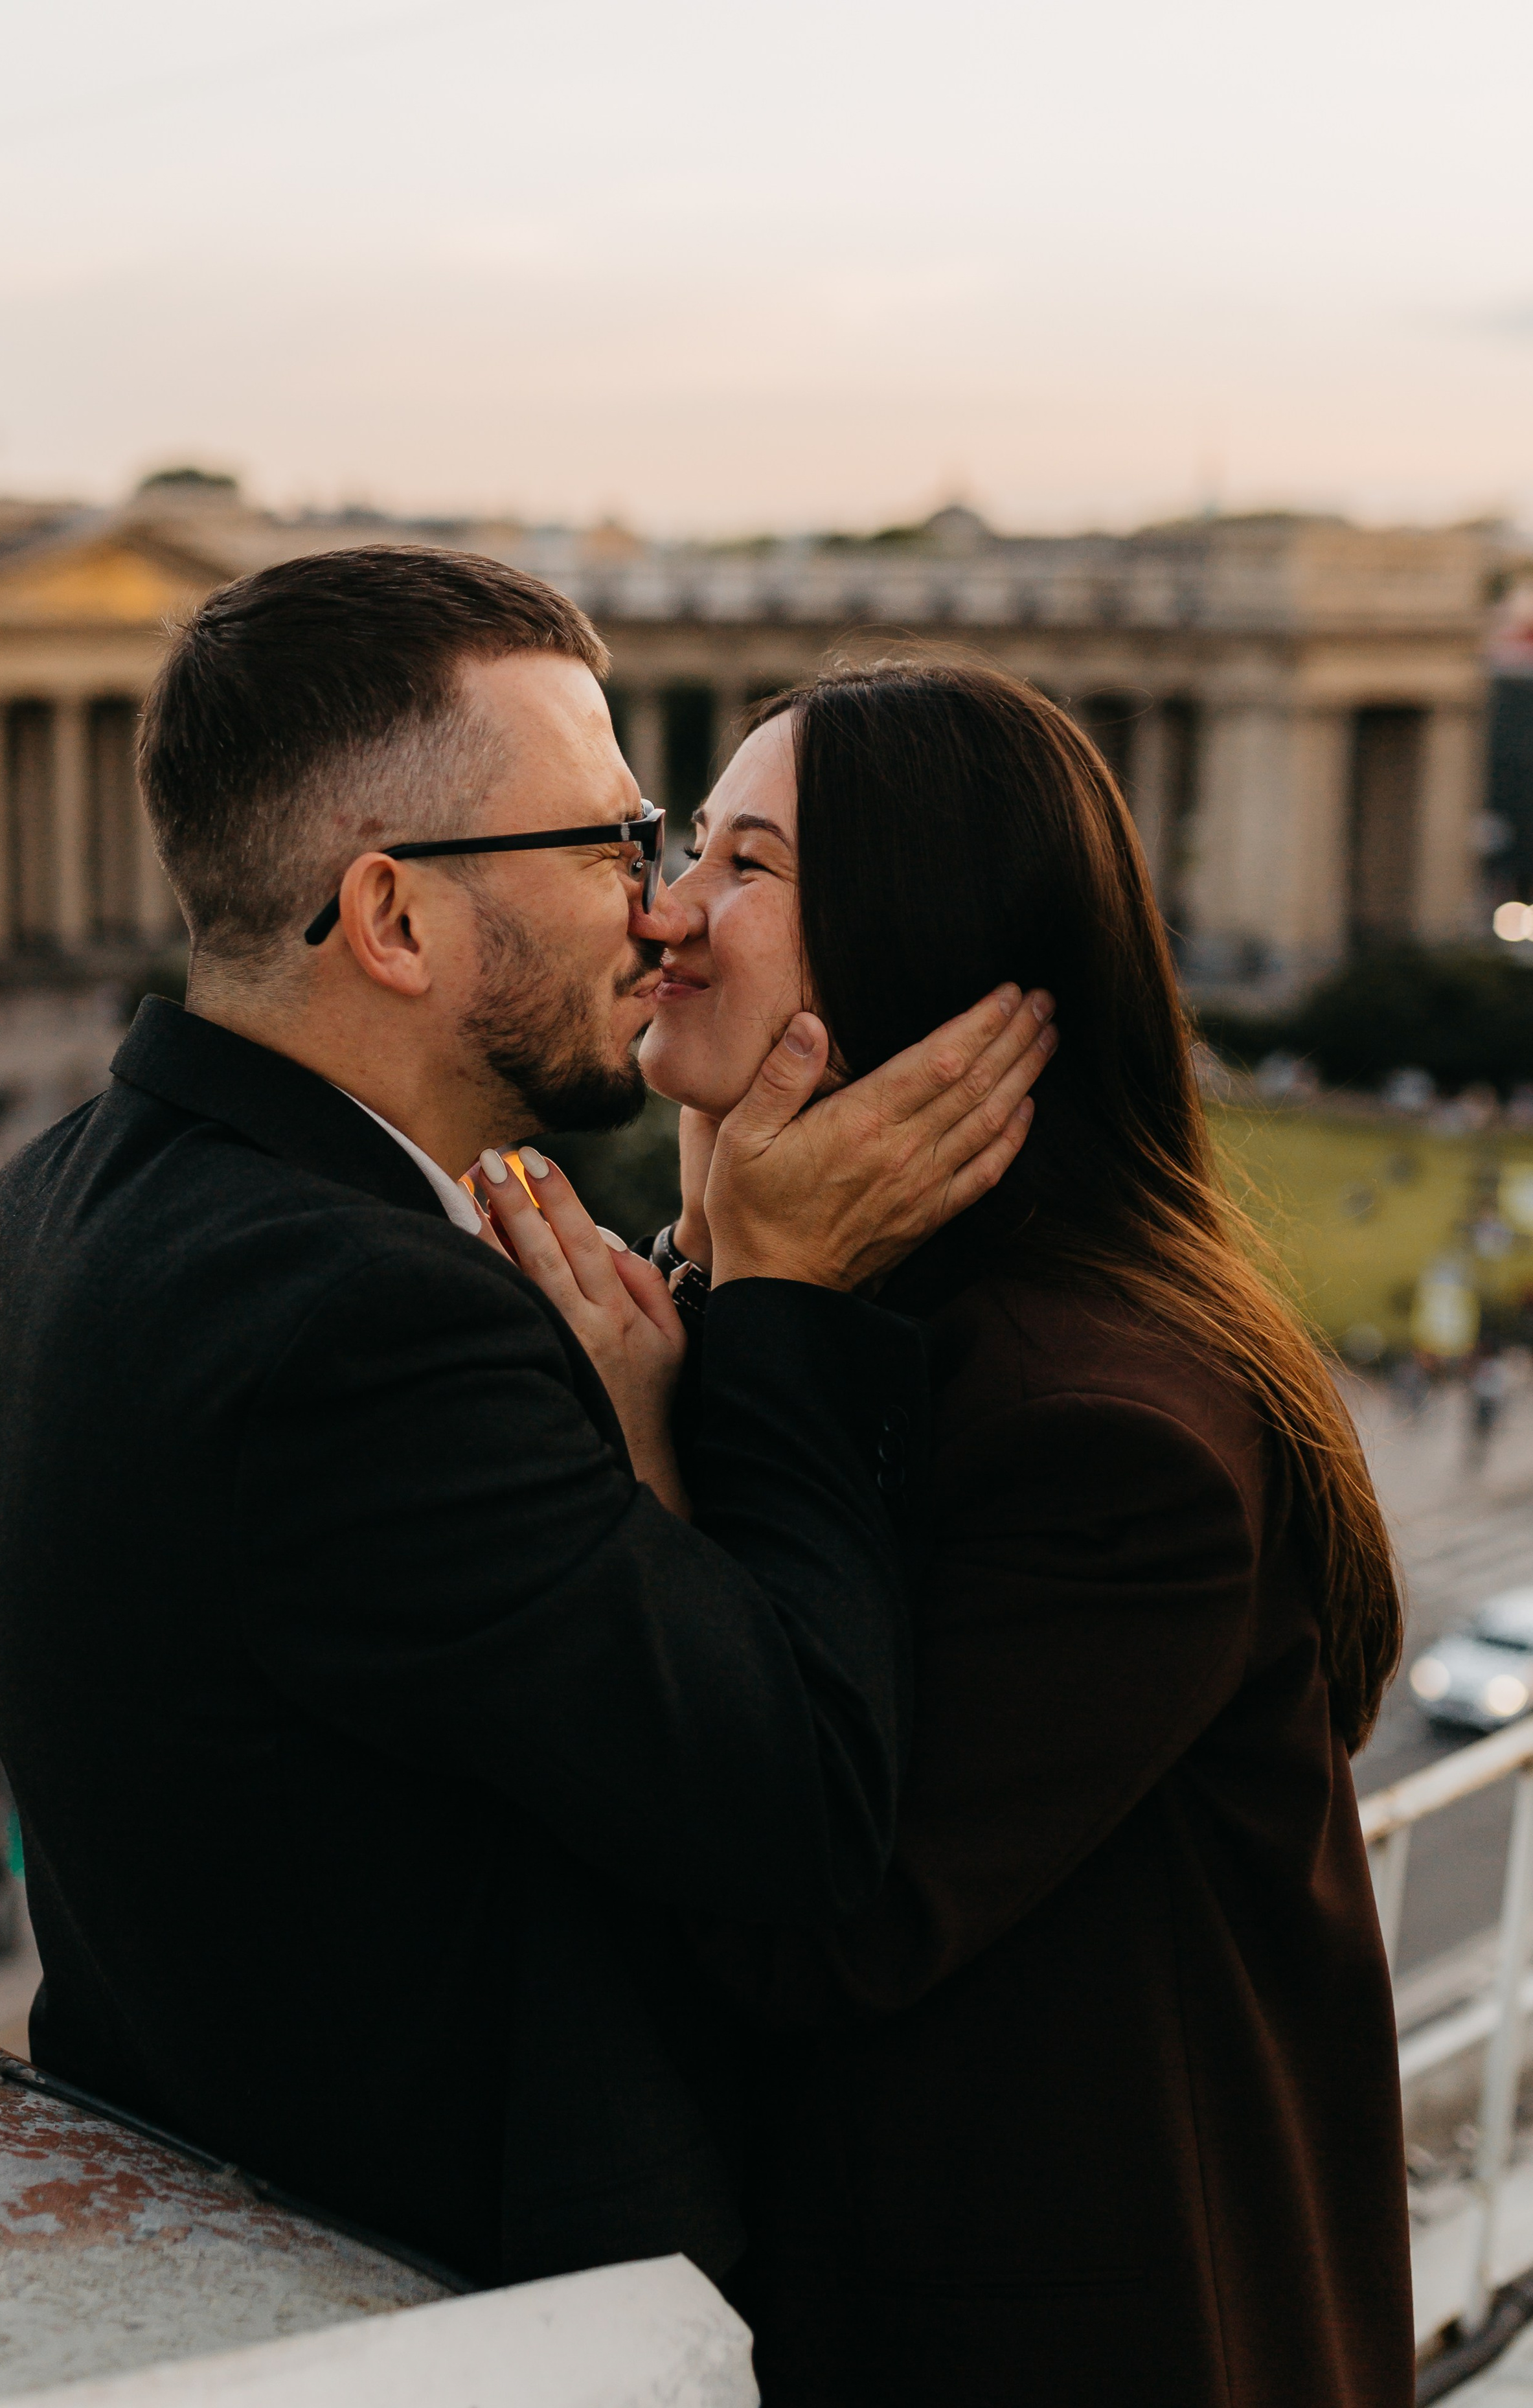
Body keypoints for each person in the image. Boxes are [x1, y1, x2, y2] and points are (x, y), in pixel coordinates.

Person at [0, 551, 1052, 2291]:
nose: (657, 911)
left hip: (203, 2236)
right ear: (394, 920)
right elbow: (811, 1809)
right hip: (462, 2310)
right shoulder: (361, 1324)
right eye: (612, 846)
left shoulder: (56, 1197)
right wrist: (789, 1301)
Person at [483, 663, 1413, 2407]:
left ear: (916, 946)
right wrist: (726, 1273)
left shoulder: (1108, 1437)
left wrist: (665, 1438)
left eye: (748, 866)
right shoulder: (885, 1323)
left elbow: (809, 1920)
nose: (665, 909)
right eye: (694, 844)